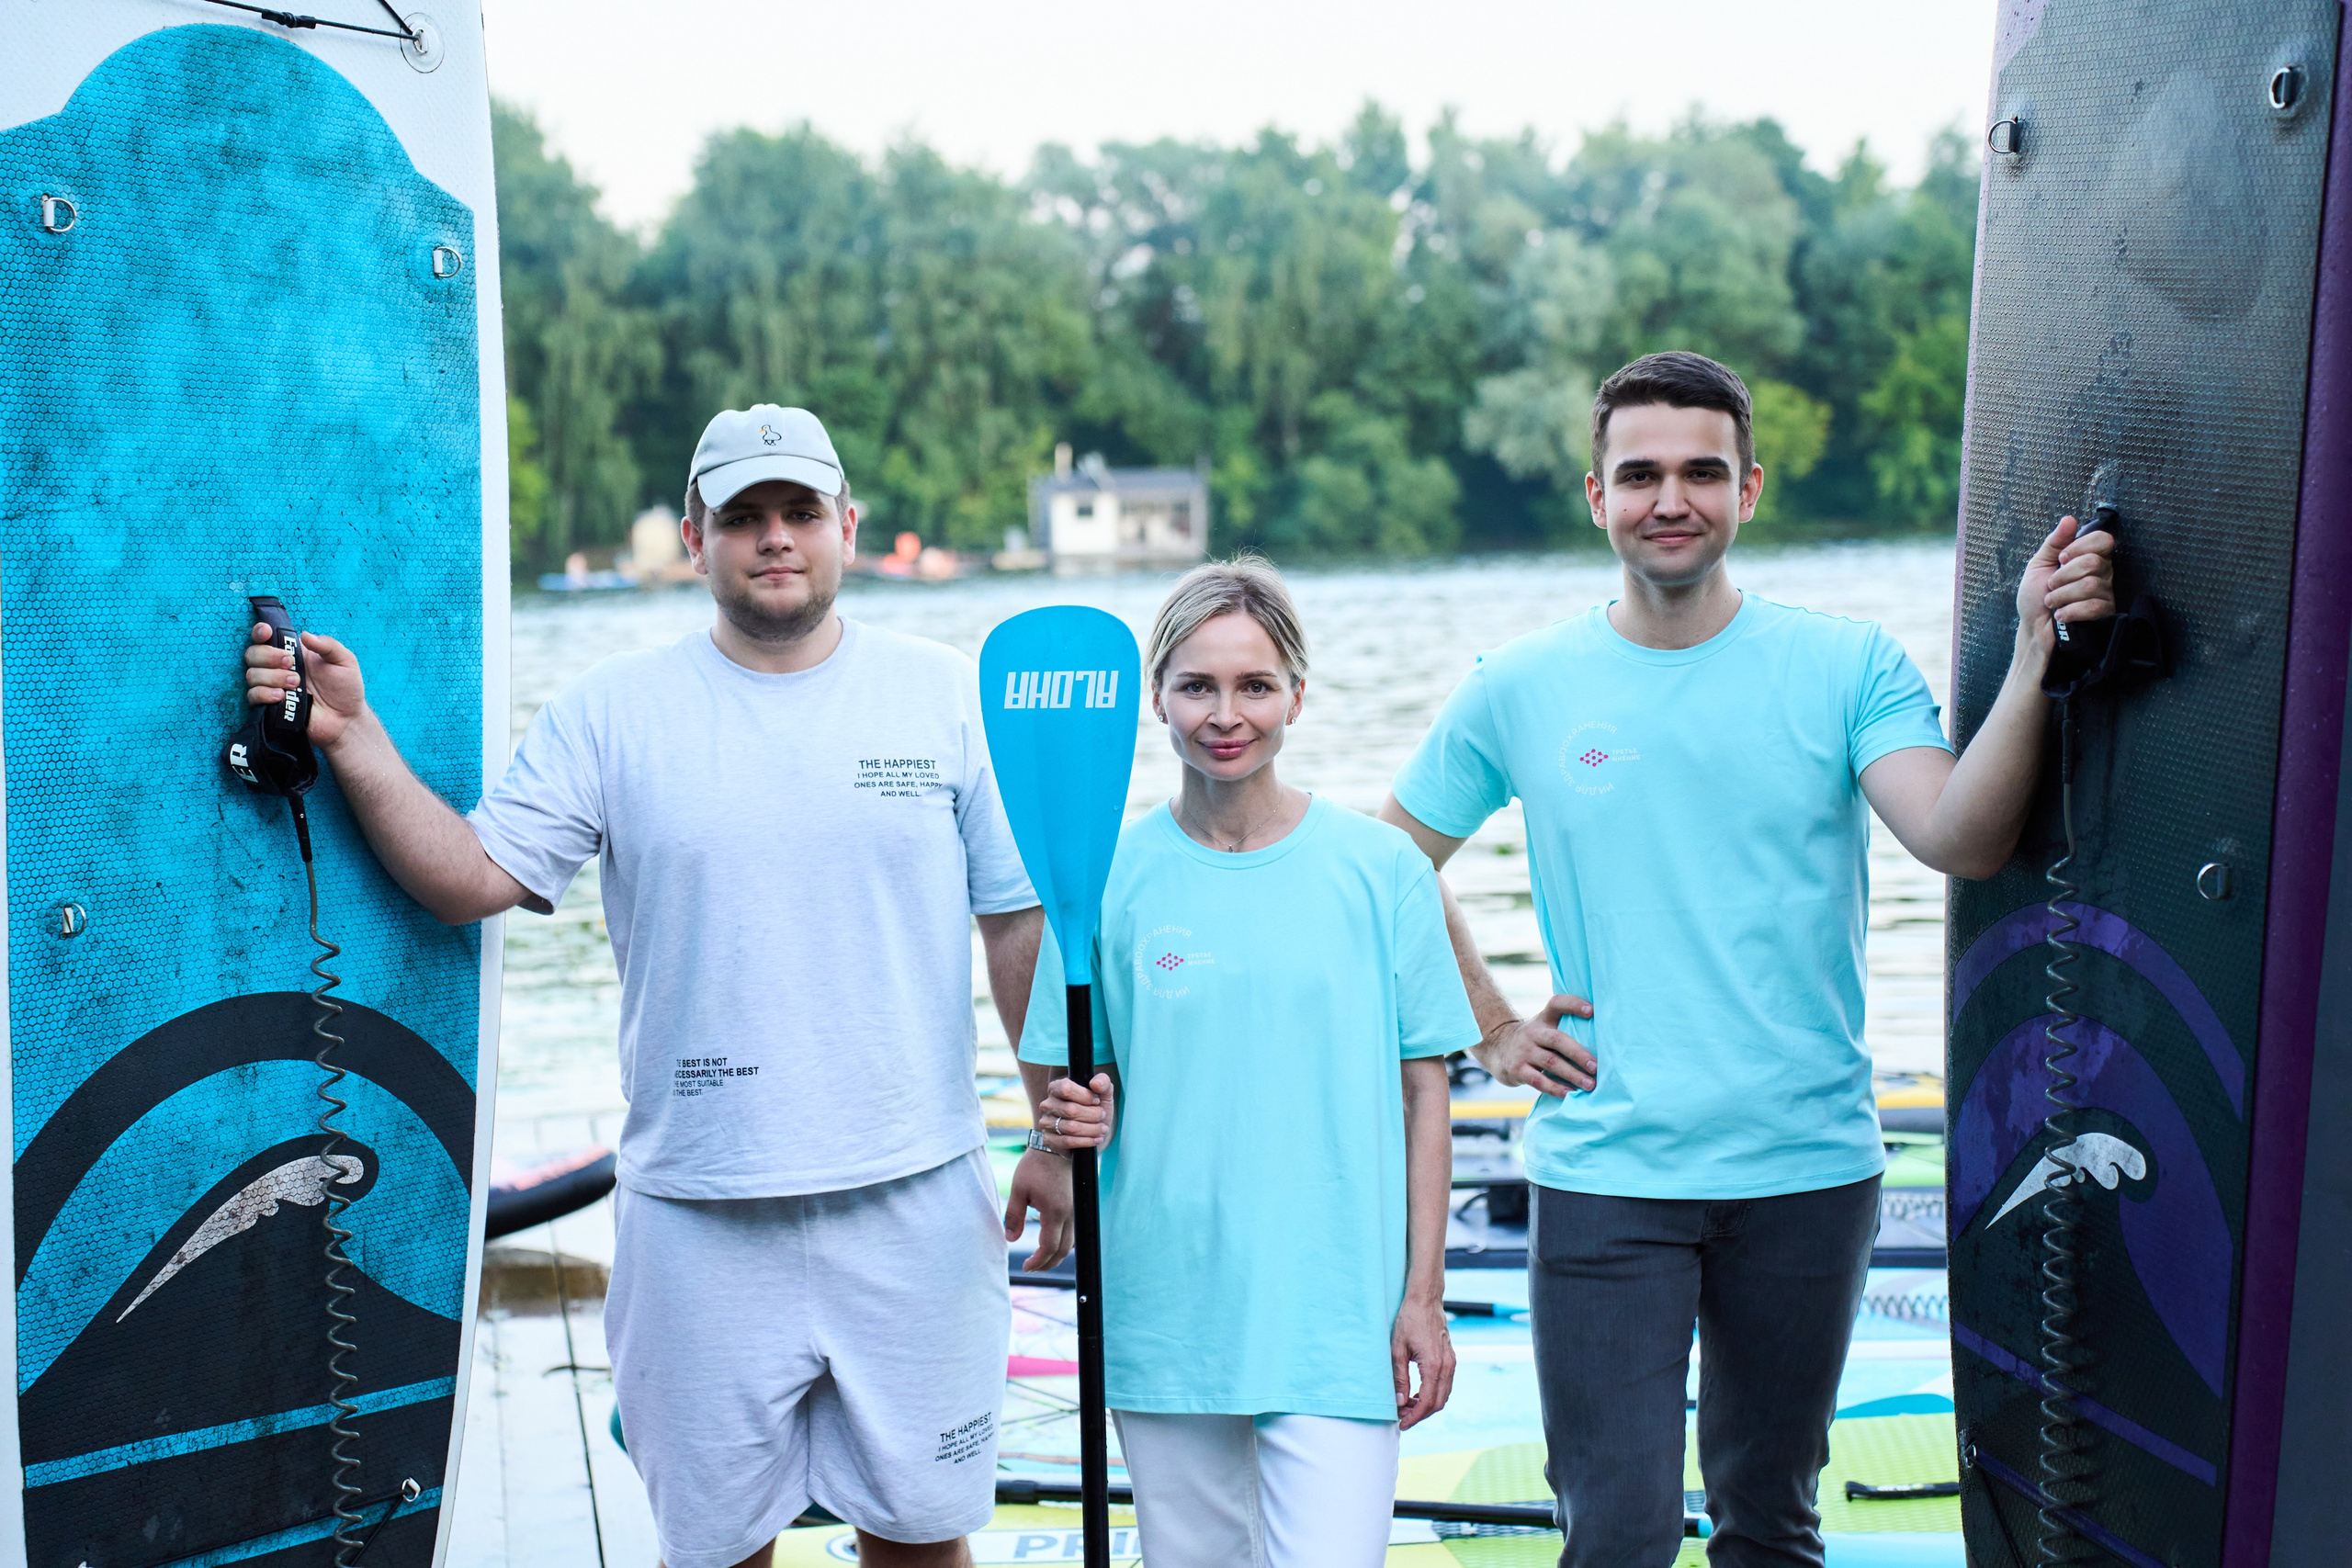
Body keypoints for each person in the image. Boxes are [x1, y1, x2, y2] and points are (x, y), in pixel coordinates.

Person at [240, 404, 1073, 1568]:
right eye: (743, 517)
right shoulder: (610, 711)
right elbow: (469, 877)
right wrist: (355, 736)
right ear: (695, 536)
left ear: (847, 523)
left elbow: (1016, 932)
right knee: (717, 1553)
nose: (773, 538)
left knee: (921, 1544)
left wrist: (1054, 1132)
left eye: (797, 513)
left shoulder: (946, 696)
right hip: (696, 1217)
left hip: (916, 1203)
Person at [1377, 352, 2116, 1567]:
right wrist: (1494, 1026)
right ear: (1596, 495)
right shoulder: (1521, 684)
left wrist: (2036, 650)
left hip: (1805, 1167)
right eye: (1642, 473)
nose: (1673, 496)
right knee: (1613, 1533)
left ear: (1750, 487)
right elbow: (1389, 861)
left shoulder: (1846, 665)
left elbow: (1962, 832)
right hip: (1610, 1166)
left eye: (1702, 470)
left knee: (1771, 1521)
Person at [1023, 558, 1477, 1568]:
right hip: (1168, 1308)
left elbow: (1423, 1093)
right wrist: (1061, 1130)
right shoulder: (1102, 880)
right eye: (1196, 686)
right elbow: (1075, 1092)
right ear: (1157, 700)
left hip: (1336, 1314)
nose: (1225, 714)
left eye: (1254, 685)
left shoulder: (1381, 870)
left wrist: (1423, 1294)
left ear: (1296, 696)